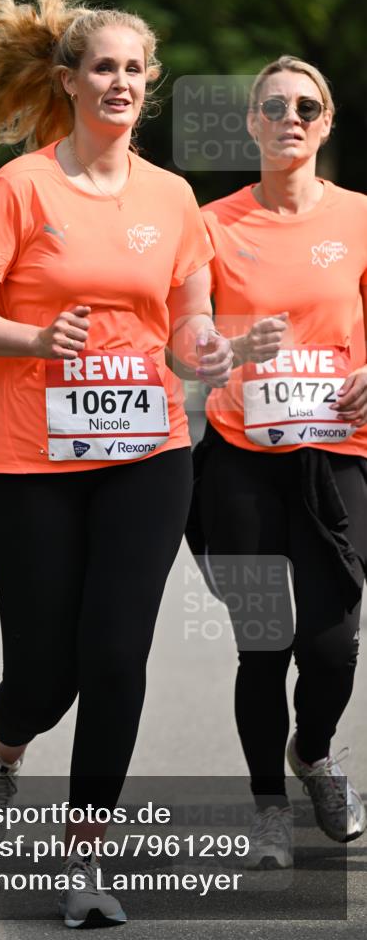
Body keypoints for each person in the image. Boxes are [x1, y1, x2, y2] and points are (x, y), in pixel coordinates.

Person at [0, 0, 232, 927]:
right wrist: (31, 339)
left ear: (150, 82)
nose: (120, 82)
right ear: (68, 80)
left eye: (134, 69)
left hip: (148, 450)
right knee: (43, 678)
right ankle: (3, 747)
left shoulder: (173, 197)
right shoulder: (21, 187)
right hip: (33, 462)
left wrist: (210, 350)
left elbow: (186, 326)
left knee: (116, 656)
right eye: (103, 67)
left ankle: (84, 860)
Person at [189, 56, 367, 870]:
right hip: (241, 462)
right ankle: (267, 808)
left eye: (305, 106)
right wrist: (226, 349)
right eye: (272, 106)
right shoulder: (211, 224)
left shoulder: (359, 216)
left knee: (331, 645)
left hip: (337, 458)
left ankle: (314, 754)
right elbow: (182, 339)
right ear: (251, 124)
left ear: (324, 124)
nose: (288, 118)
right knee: (261, 645)